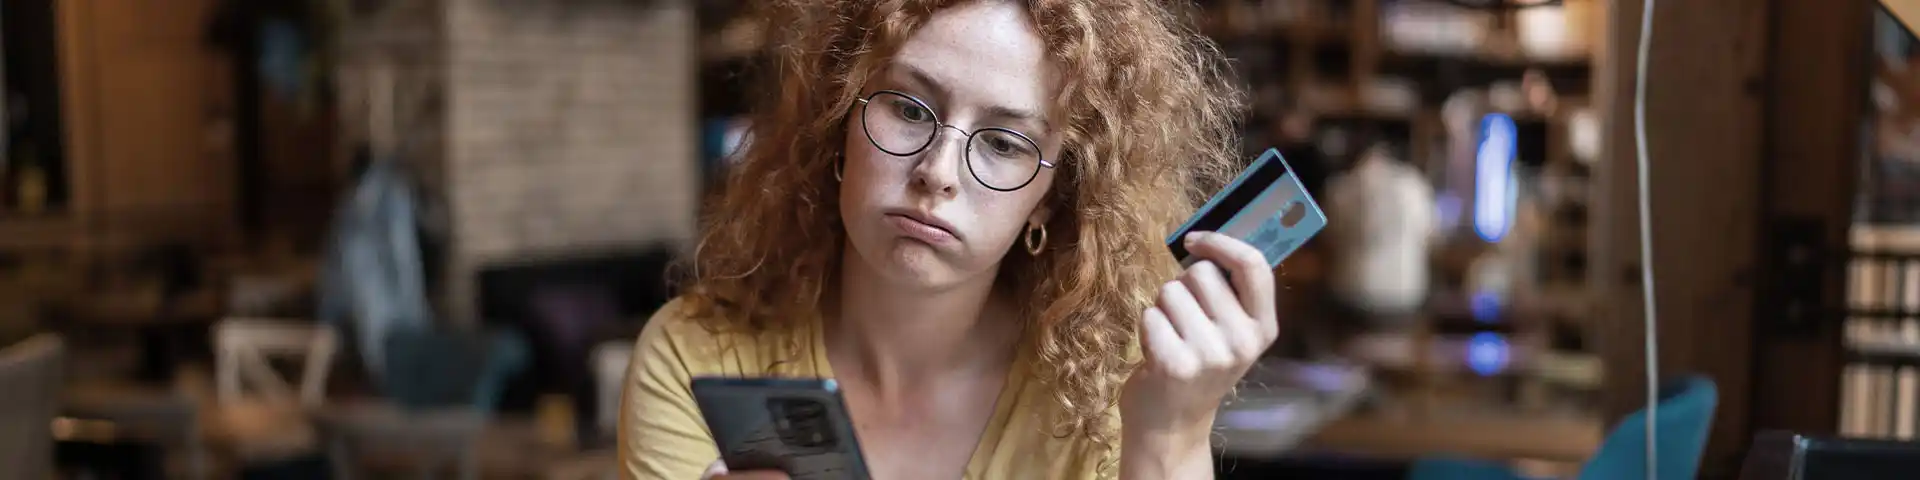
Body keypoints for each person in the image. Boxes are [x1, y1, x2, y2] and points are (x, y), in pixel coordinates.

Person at [621, 1, 1276, 478]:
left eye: (1002, 142)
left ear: (1048, 195)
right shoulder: (696, 356)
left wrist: (1172, 437)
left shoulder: (1111, 390)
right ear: (836, 126)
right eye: (908, 109)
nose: (936, 174)